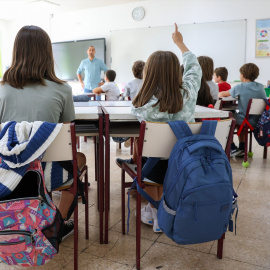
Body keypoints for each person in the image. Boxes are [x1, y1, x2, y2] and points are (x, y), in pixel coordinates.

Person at [0, 25, 86, 240]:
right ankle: (56, 225)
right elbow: (68, 136)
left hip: (6, 173)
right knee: (79, 159)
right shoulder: (63, 89)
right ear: (47, 54)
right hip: (44, 173)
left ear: (16, 52)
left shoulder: (1, 90)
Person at [116, 23, 202, 232]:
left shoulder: (140, 105)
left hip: (152, 168)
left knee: (150, 158)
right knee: (163, 160)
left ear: (149, 72)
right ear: (176, 71)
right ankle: (167, 211)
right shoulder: (188, 93)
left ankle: (156, 215)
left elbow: (125, 135)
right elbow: (195, 68)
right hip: (183, 161)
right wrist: (180, 43)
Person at [218, 63, 267, 157]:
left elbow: (222, 94)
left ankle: (232, 148)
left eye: (239, 73)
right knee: (242, 116)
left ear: (243, 75)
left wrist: (218, 93)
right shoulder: (261, 87)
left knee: (226, 117)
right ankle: (242, 148)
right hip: (259, 121)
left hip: (245, 120)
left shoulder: (240, 87)